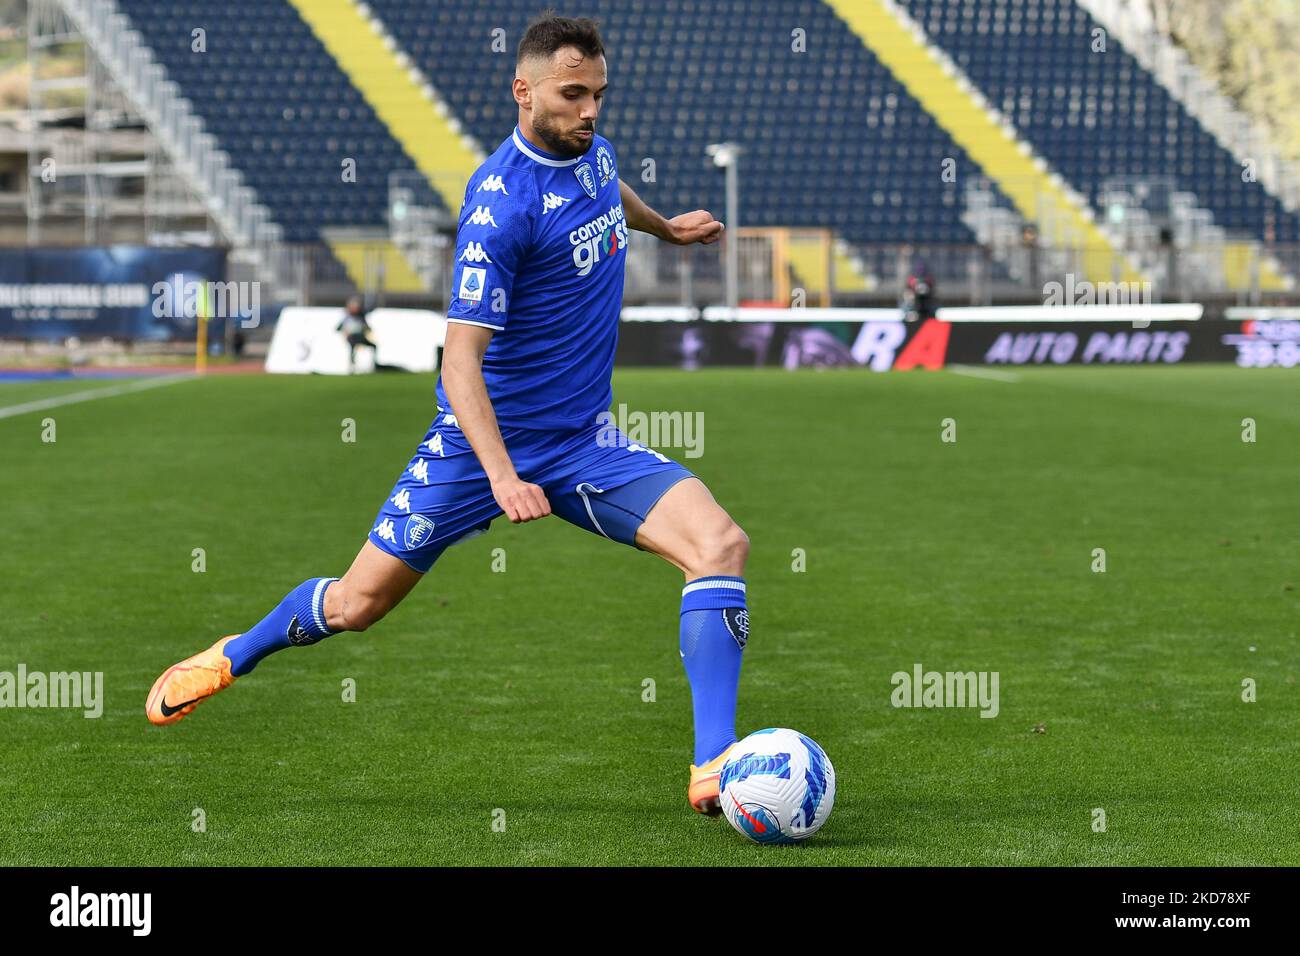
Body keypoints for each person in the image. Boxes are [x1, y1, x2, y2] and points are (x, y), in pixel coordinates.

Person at [146, 14, 748, 816]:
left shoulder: (594, 155)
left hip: (583, 443)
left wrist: (665, 227)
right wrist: (502, 477)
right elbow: (457, 363)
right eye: (573, 94)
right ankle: (238, 651)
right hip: (476, 452)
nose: (591, 111)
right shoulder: (499, 211)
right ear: (522, 89)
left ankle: (711, 769)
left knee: (720, 544)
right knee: (359, 606)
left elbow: (610, 192)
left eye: (599, 94)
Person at [337, 294, 376, 372]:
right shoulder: (347, 317)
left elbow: (367, 328)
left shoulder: (361, 317)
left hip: (361, 337)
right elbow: (338, 328)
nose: (355, 308)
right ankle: (352, 365)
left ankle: (374, 365)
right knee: (352, 345)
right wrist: (345, 331)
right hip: (352, 337)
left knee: (374, 346)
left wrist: (366, 329)